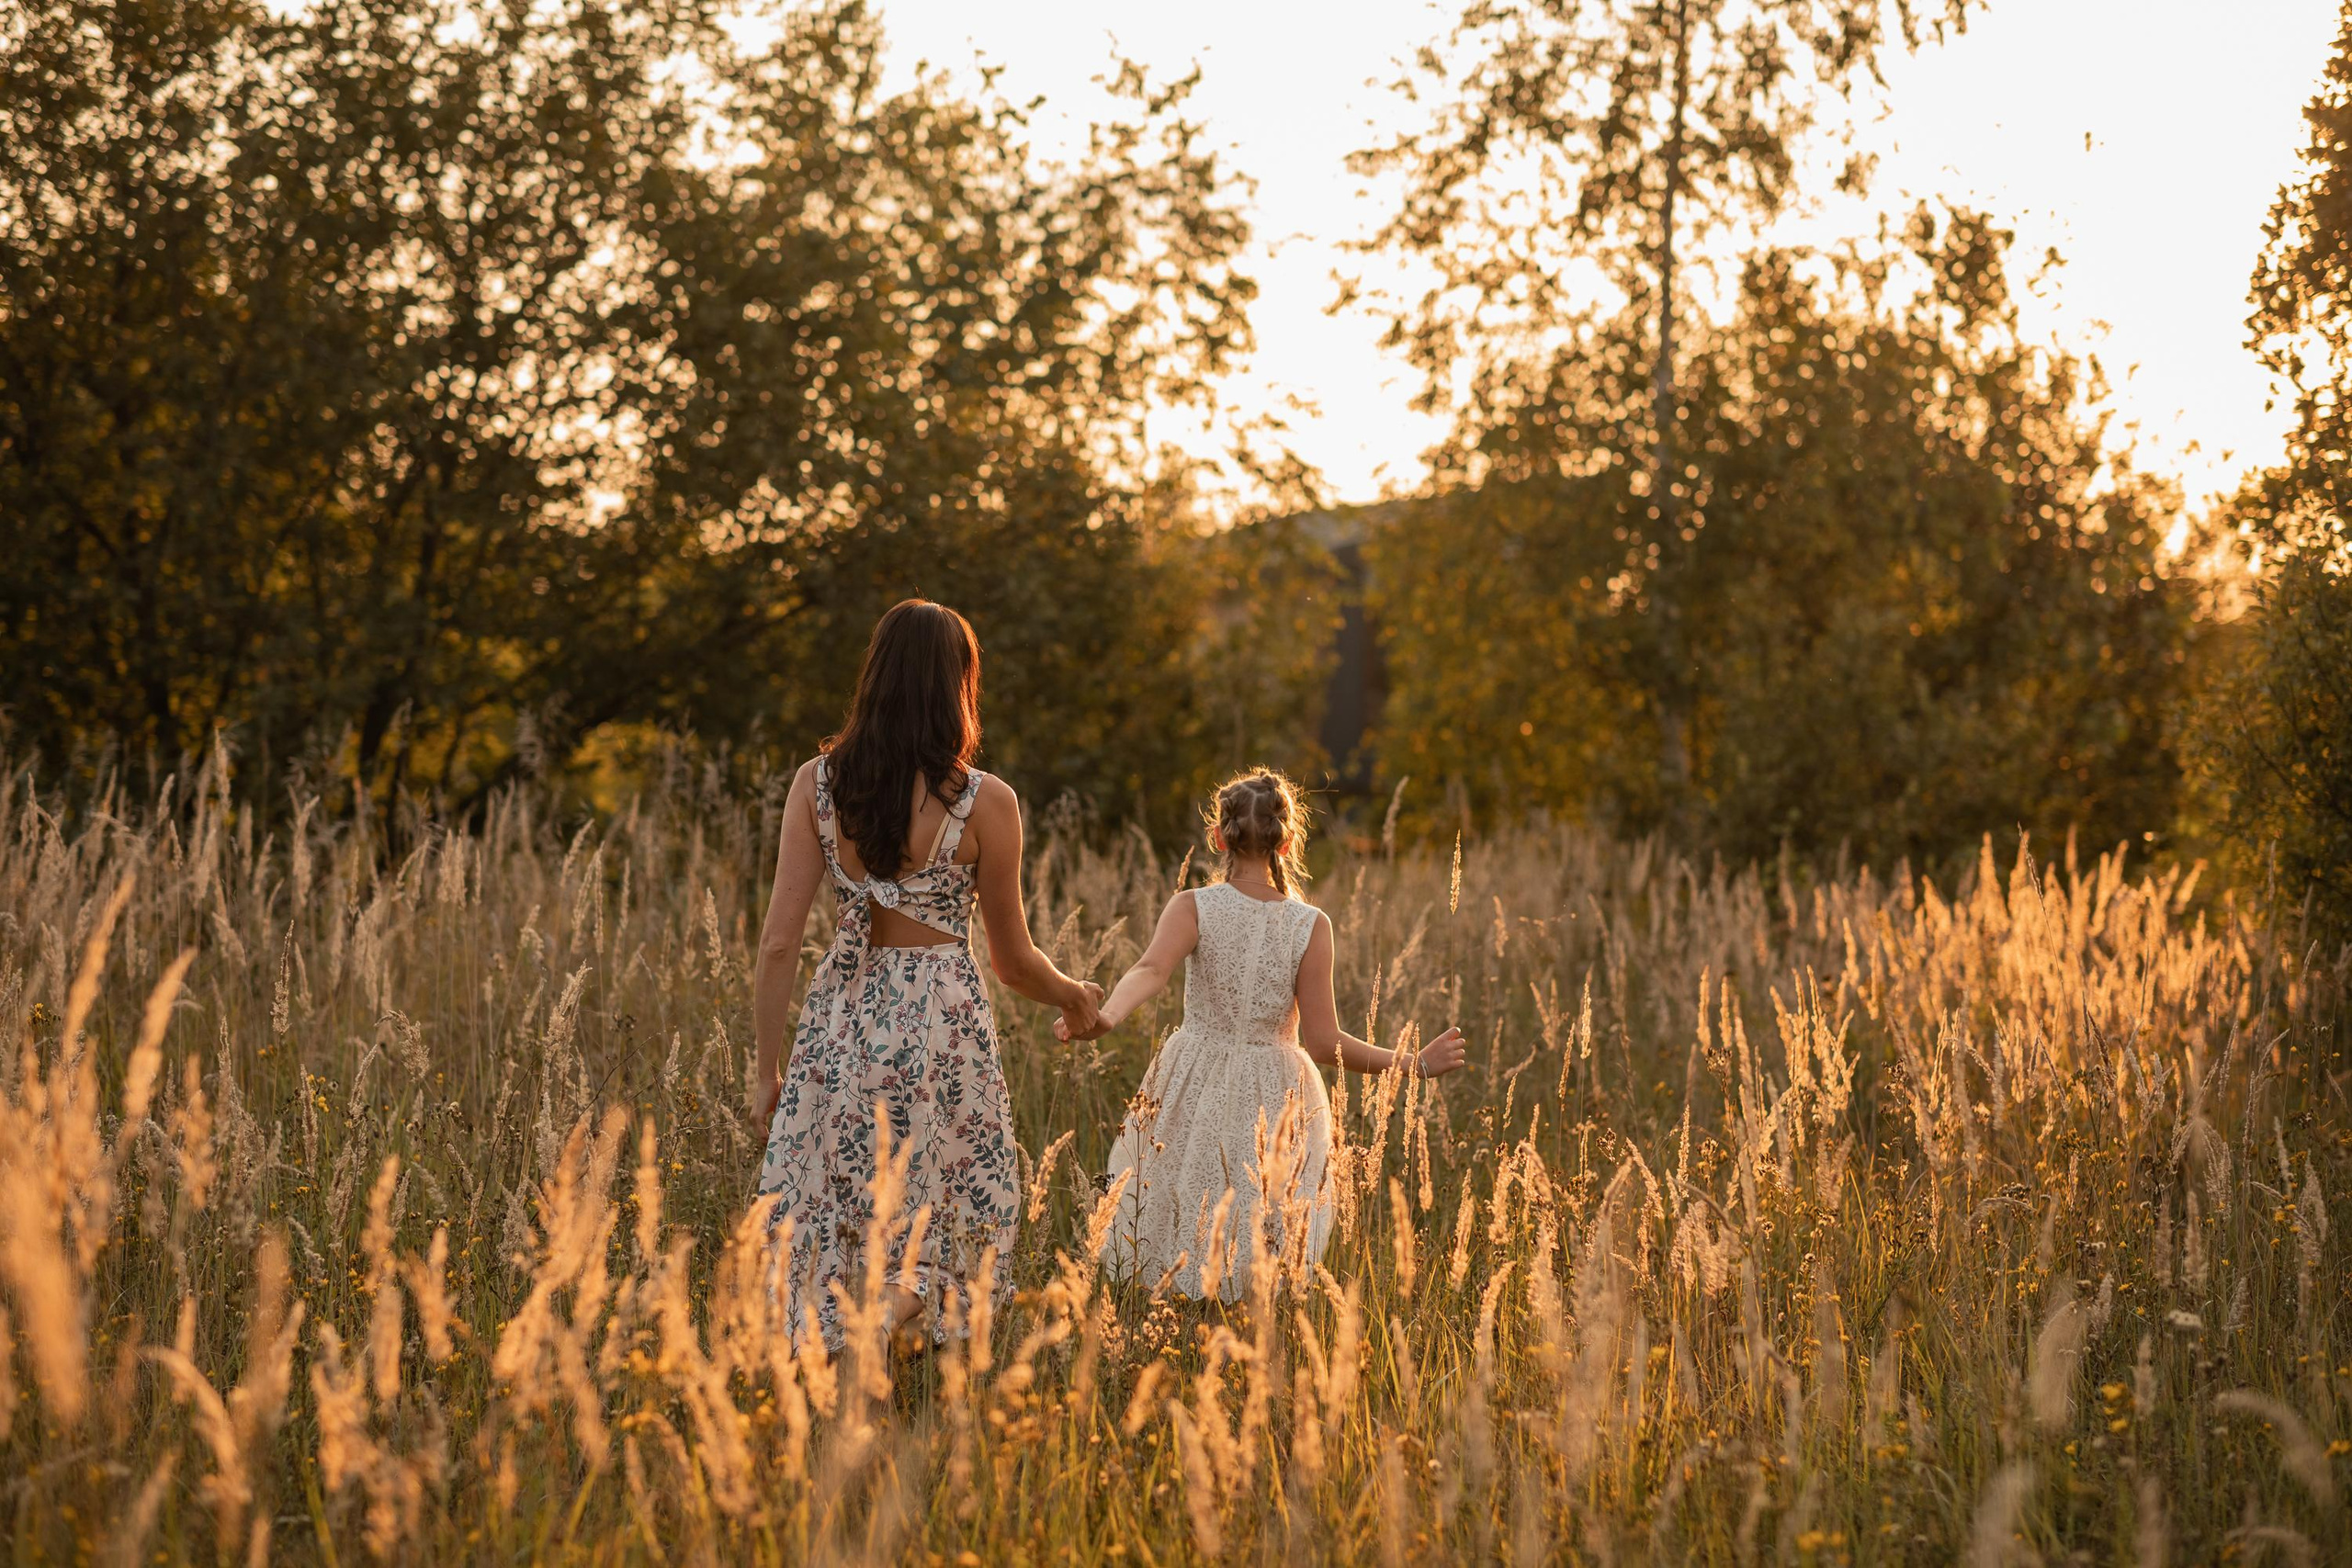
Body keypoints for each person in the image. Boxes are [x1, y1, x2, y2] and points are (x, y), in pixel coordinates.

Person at [750, 600, 1102, 1348]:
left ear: (873, 676)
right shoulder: (985, 802)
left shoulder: (817, 785)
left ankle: (846, 1351)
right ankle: (881, 1329)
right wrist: (1072, 993)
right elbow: (1012, 961)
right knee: (945, 1210)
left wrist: (766, 1069)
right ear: (958, 687)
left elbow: (779, 944)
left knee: (839, 1202)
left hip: (841, 1018)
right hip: (941, 1028)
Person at [1069, 768, 1467, 1300]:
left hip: (1194, 1072)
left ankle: (1176, 1320)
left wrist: (1106, 1017)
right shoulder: (1311, 924)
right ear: (1288, 842)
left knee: (1182, 1198)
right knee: (1260, 1214)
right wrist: (1413, 1063)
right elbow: (1326, 1045)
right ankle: (1238, 1329)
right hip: (1276, 1092)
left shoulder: (1193, 905)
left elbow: (1148, 970)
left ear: (1219, 837)